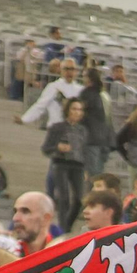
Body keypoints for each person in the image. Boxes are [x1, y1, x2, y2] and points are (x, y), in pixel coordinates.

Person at [43, 97, 88, 232]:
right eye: (74, 109)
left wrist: (86, 168)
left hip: (78, 165)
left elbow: (84, 150)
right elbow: (46, 148)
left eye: (80, 109)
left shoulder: (83, 130)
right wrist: (58, 147)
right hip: (61, 163)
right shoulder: (57, 127)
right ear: (67, 110)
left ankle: (66, 226)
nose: (77, 112)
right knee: (64, 198)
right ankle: (63, 229)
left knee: (80, 199)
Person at [17, 56, 83, 129]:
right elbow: (40, 106)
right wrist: (24, 119)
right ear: (61, 70)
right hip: (55, 128)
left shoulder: (81, 89)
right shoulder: (53, 87)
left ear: (76, 71)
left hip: (74, 129)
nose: (69, 72)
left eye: (72, 69)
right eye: (66, 69)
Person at [77, 68, 111, 176]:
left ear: (88, 78)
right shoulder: (104, 95)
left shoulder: (86, 93)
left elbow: (80, 114)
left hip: (91, 138)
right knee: (99, 173)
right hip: (104, 138)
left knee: (92, 175)